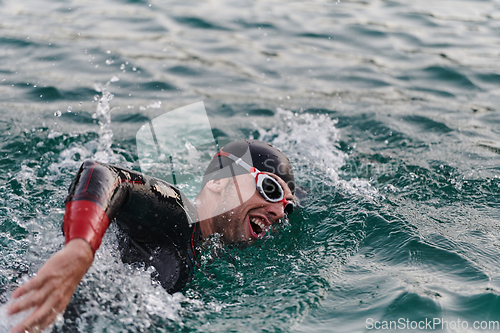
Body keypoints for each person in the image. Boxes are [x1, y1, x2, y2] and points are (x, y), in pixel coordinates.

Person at [7, 139, 296, 333]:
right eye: (269, 189)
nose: (280, 213)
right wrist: (79, 249)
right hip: (23, 304)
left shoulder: (211, 251)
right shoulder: (177, 212)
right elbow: (105, 175)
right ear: (219, 181)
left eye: (288, 207)